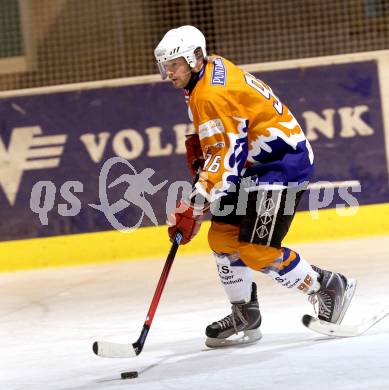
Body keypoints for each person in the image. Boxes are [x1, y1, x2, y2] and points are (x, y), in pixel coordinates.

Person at [154, 25, 357, 347]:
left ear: (194, 58)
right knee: (222, 238)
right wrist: (203, 167)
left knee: (256, 251)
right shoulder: (207, 73)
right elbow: (224, 139)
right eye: (165, 66)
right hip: (255, 167)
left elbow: (227, 152)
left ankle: (327, 285)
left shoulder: (210, 92)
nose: (169, 72)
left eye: (174, 64)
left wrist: (198, 198)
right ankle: (245, 314)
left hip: (281, 167)